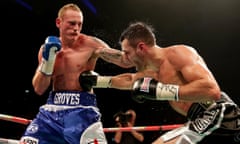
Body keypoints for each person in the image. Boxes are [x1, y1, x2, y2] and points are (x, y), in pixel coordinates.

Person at [79, 21, 240, 144]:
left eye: (128, 53)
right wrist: (97, 81)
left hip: (218, 112)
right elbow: (129, 80)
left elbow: (212, 91)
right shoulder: (150, 72)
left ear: (141, 47)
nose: (125, 58)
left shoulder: (179, 54)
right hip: (198, 118)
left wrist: (162, 91)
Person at [19, 3, 117, 144]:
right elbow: (39, 89)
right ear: (59, 22)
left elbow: (122, 59)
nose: (76, 28)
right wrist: (49, 61)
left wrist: (144, 55)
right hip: (52, 112)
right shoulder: (47, 49)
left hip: (82, 110)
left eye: (79, 24)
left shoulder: (91, 44)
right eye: (72, 23)